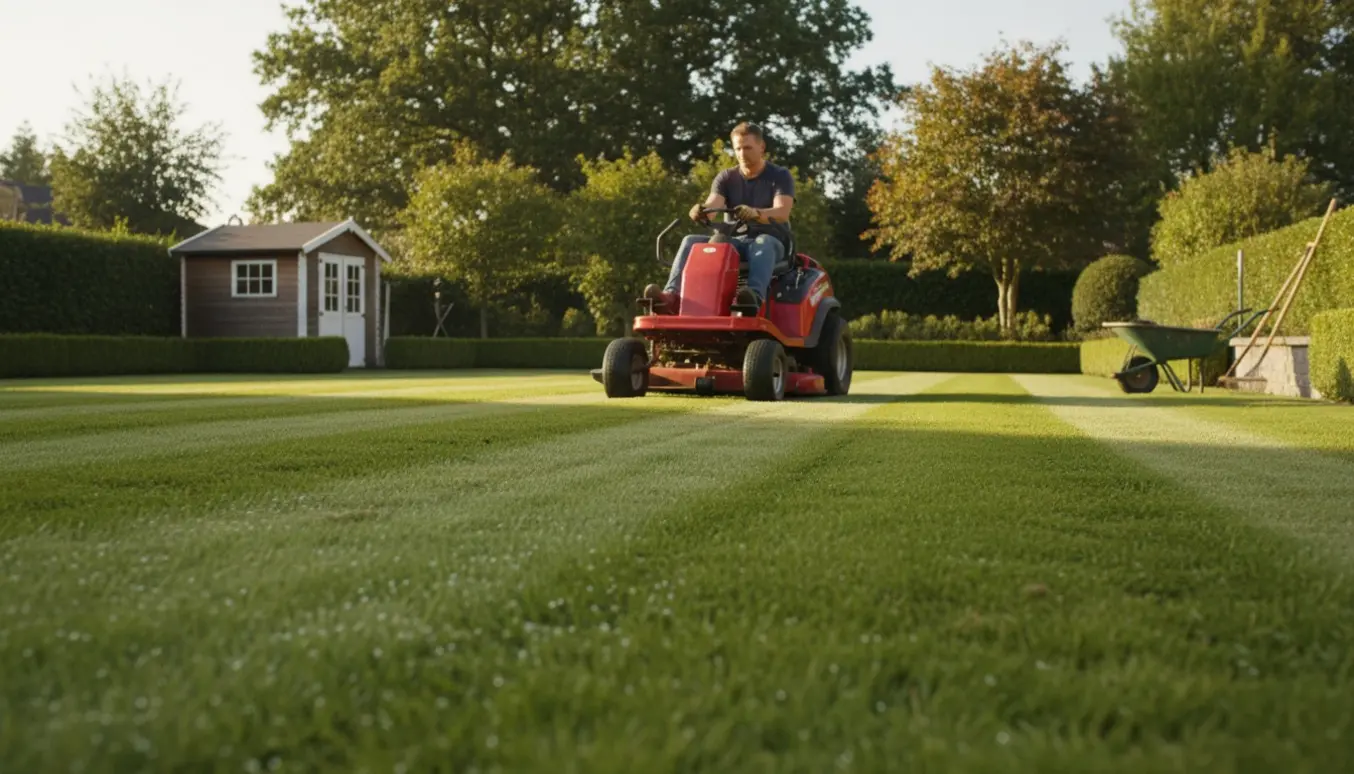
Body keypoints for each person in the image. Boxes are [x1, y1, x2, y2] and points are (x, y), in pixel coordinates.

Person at [645, 122, 795, 312]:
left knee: (762, 242)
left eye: (747, 147)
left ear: (761, 147)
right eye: (738, 148)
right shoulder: (726, 177)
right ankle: (671, 297)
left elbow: (782, 212)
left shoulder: (780, 176)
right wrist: (700, 210)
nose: (742, 154)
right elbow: (713, 206)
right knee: (691, 241)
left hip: (771, 242)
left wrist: (756, 213)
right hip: (733, 242)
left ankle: (753, 297)